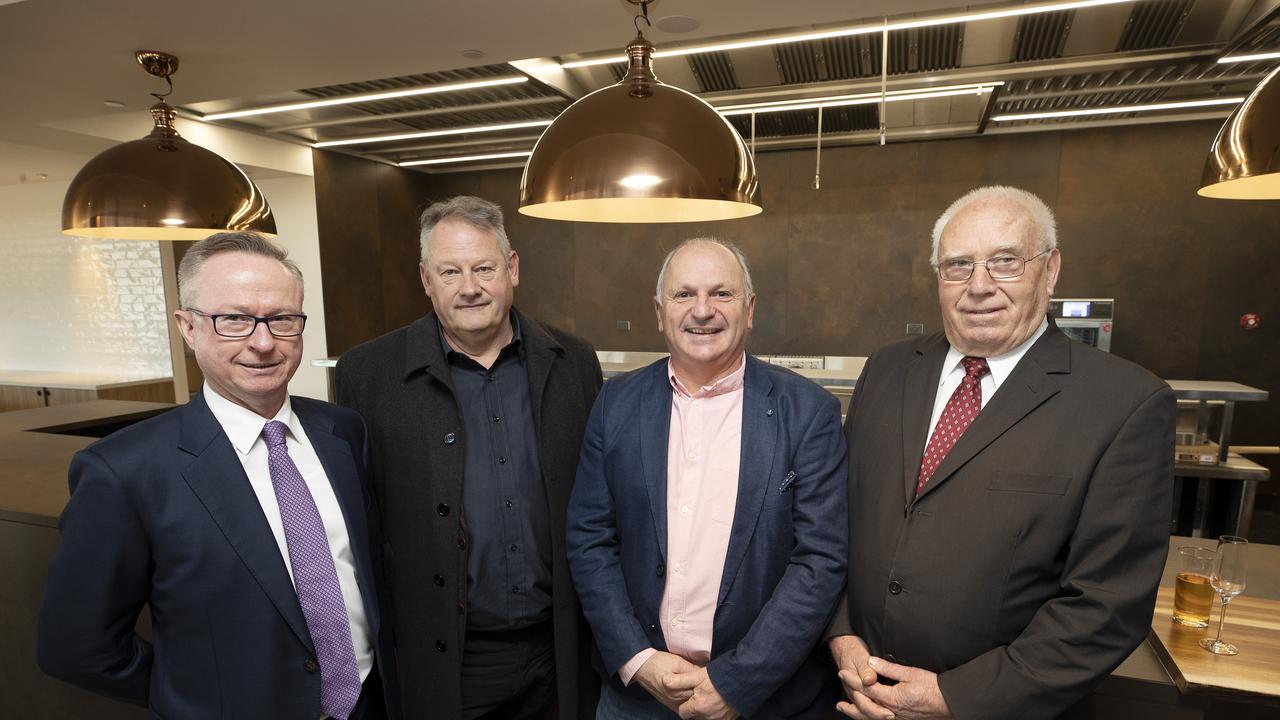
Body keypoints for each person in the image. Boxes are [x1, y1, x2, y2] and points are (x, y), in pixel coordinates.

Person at [828, 186, 1175, 720]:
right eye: (958, 265)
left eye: (1006, 262)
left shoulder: (1126, 403)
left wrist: (956, 698)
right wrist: (840, 634)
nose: (979, 287)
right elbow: (837, 525)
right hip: (854, 695)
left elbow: (1107, 605)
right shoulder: (886, 371)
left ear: (1051, 268)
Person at [38, 232, 400, 719]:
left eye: (282, 319)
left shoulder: (343, 431)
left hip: (371, 705)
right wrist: (196, 695)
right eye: (233, 319)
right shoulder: (124, 471)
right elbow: (76, 647)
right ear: (188, 328)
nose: (264, 342)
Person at [335, 196, 602, 720]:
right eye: (450, 271)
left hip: (560, 649)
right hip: (447, 657)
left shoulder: (574, 364)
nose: (470, 287)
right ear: (425, 279)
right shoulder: (368, 374)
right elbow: (359, 523)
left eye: (484, 268)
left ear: (513, 268)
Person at [568, 238, 848, 720]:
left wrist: (737, 682)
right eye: (684, 295)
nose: (702, 311)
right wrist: (638, 659)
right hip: (638, 698)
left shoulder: (808, 413)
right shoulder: (616, 405)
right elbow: (590, 539)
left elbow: (820, 561)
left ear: (750, 307)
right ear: (659, 312)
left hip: (765, 700)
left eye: (722, 293)